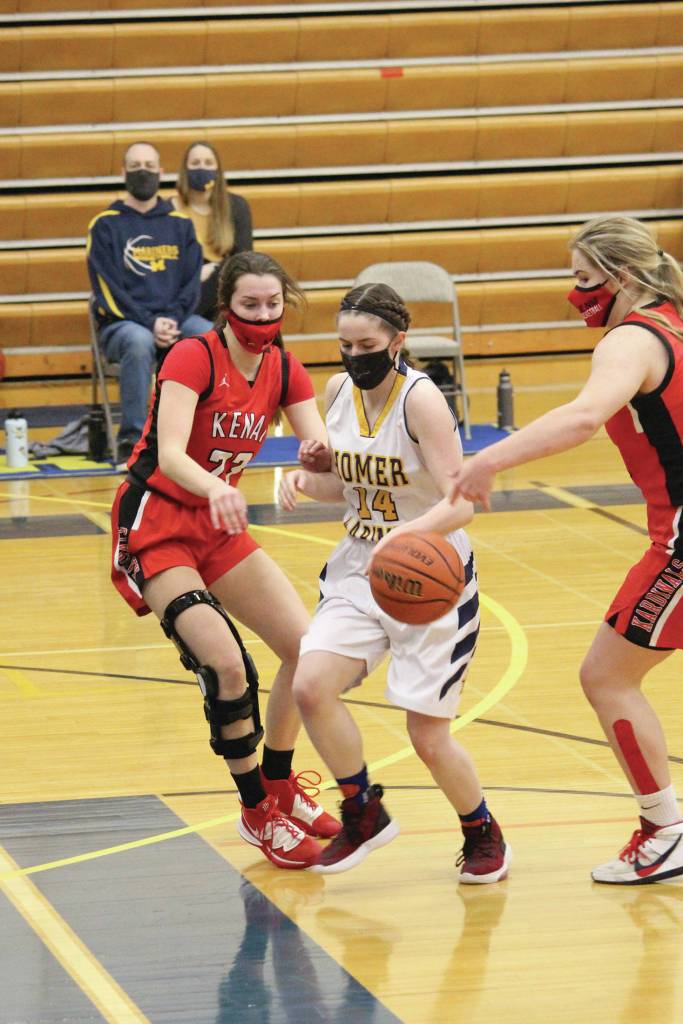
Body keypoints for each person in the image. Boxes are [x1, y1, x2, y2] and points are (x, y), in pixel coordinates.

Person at [449, 215, 683, 885]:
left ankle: (664, 828)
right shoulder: (673, 319)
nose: (573, 292)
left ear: (623, 277)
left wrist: (487, 458)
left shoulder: (632, 339)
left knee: (606, 676)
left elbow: (581, 418)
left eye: (583, 279)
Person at [110, 250, 340, 870]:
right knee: (227, 664)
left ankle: (280, 782)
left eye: (273, 304)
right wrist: (218, 488)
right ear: (225, 307)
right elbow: (171, 452)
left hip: (219, 523)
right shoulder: (195, 355)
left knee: (306, 648)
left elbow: (313, 439)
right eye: (250, 305)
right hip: (159, 518)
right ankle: (255, 812)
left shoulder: (285, 366)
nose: (263, 315)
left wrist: (320, 456)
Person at [278, 282, 511, 881]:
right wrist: (306, 479)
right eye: (344, 344)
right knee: (311, 687)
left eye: (367, 344)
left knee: (427, 735)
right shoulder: (337, 392)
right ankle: (363, 811)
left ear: (397, 340)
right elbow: (351, 489)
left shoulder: (421, 401)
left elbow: (462, 503)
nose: (354, 355)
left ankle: (480, 828)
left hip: (430, 574)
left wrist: (406, 541)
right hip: (358, 567)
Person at [87, 141, 213, 465]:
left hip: (176, 320)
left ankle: (203, 437)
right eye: (135, 166)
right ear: (123, 172)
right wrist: (150, 322)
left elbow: (191, 283)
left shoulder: (181, 225)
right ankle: (133, 443)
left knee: (208, 336)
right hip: (123, 326)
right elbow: (107, 288)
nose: (142, 172)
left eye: (148, 165)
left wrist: (169, 318)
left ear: (161, 172)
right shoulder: (105, 225)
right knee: (140, 341)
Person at [173, 140, 253, 321]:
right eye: (195, 163)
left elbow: (243, 260)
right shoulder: (168, 209)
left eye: (208, 163)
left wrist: (216, 269)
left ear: (218, 170)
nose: (201, 168)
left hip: (223, 292)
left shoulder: (236, 206)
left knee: (233, 271)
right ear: (184, 170)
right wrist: (196, 274)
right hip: (181, 290)